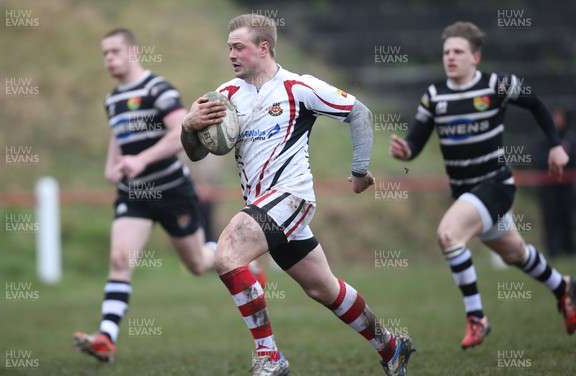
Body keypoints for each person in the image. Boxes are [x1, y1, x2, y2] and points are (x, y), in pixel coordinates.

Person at [181, 14, 414, 376]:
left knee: (227, 254)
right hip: (262, 208)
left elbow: (359, 113)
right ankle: (391, 346)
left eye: (238, 47)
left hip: (291, 197)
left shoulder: (298, 87)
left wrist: (358, 170)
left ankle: (269, 356)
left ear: (264, 47)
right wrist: (189, 128)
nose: (231, 54)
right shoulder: (224, 96)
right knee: (324, 290)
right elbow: (198, 153)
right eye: (228, 47)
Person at [72, 28, 264, 363]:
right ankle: (106, 337)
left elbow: (183, 133)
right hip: (133, 195)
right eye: (104, 54)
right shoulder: (112, 99)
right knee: (120, 260)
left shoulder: (157, 89)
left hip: (172, 191)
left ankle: (244, 261)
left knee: (196, 264)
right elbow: (118, 137)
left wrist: (142, 160)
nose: (109, 59)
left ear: (133, 53)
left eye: (115, 52)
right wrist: (111, 167)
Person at [389, 21, 576, 349]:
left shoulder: (497, 85)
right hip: (466, 193)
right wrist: (406, 150)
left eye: (458, 51)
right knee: (516, 253)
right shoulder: (434, 96)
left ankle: (477, 318)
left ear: (475, 57)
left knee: (448, 235)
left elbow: (537, 105)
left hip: (495, 185)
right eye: (447, 51)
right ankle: (565, 287)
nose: (451, 57)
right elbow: (415, 144)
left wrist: (557, 146)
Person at [532, 105, 576, 258]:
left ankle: (569, 247)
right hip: (548, 185)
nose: (558, 120)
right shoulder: (542, 137)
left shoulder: (570, 137)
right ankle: (552, 249)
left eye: (560, 116)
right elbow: (536, 158)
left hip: (566, 185)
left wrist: (567, 153)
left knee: (567, 215)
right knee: (550, 216)